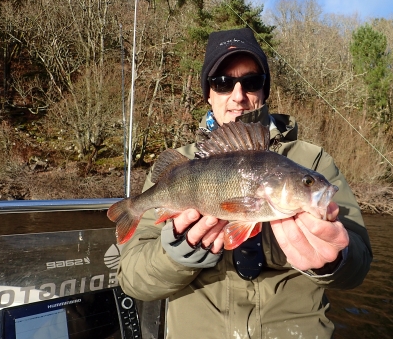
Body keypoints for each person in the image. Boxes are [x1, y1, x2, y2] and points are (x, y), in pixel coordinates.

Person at [118, 28, 372, 339]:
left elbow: (358, 267)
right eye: (222, 83)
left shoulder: (313, 160)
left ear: (264, 90)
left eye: (251, 82)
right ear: (208, 93)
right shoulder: (180, 166)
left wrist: (335, 260)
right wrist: (174, 256)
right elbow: (131, 280)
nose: (238, 96)